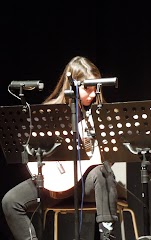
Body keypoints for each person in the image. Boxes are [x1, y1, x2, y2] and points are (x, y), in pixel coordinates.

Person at [2, 56, 118, 240]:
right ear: (72, 85)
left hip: (83, 184)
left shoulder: (101, 114)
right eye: (87, 89)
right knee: (11, 201)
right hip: (54, 184)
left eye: (96, 88)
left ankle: (107, 236)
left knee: (102, 172)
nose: (93, 94)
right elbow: (34, 147)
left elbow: (111, 153)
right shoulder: (51, 112)